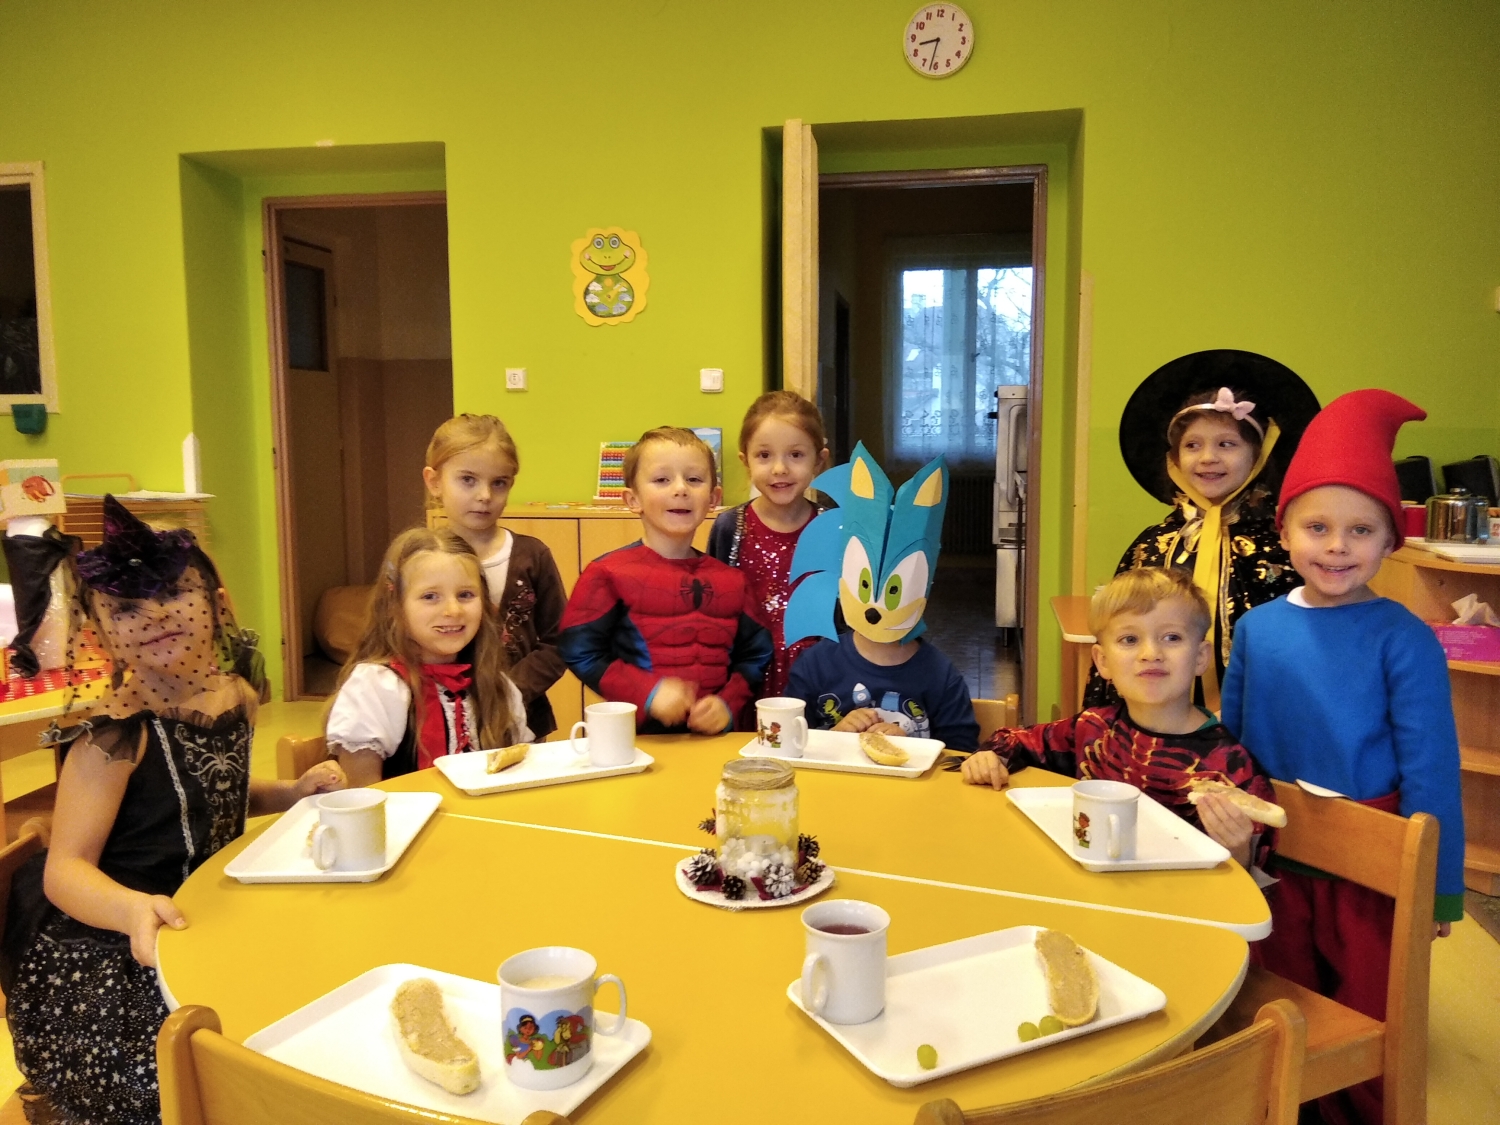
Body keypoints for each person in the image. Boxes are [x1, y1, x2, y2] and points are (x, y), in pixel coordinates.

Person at [2, 496, 346, 1125]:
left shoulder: (235, 693)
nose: (154, 615)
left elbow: (217, 790)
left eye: (172, 593)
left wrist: (290, 793)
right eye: (126, 608)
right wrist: (132, 910)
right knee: (192, 1083)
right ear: (101, 633)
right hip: (118, 940)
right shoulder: (113, 737)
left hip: (207, 908)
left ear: (215, 605)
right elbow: (65, 870)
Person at [1221, 389, 1465, 1125]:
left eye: (1360, 529)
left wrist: (1438, 888)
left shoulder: (1405, 637)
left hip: (1373, 861)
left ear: (1389, 541)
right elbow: (1232, 740)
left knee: (1369, 1001)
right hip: (1278, 850)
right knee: (1281, 992)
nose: (1337, 546)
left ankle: (1358, 1111)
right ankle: (1286, 1101)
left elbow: (1431, 764)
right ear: (1284, 531)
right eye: (1318, 526)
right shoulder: (1258, 629)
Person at [961, 568, 1272, 867]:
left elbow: (1255, 876)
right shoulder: (1091, 728)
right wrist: (991, 756)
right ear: (1103, 661)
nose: (1151, 653)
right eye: (1130, 640)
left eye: (1172, 637)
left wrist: (1238, 848)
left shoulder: (1234, 768)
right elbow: (1016, 740)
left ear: (1201, 657)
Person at [1086, 351, 1321, 711]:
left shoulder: (1283, 546)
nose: (1208, 457)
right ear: (1175, 458)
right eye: (1192, 445)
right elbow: (1119, 637)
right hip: (1160, 720)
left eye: (1226, 444)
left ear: (1259, 455)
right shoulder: (1151, 546)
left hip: (1257, 720)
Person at [558, 426, 771, 735]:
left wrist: (727, 704)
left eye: (694, 479)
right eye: (662, 480)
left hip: (714, 741)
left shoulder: (734, 581)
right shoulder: (606, 573)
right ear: (633, 499)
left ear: (713, 498)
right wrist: (647, 692)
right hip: (633, 742)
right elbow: (578, 650)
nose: (680, 489)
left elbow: (756, 654)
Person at [782, 442, 980, 750]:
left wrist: (911, 744)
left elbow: (961, 750)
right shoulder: (816, 665)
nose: (875, 609)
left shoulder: (940, 676)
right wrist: (836, 734)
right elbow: (790, 738)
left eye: (894, 592)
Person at [327, 527, 532, 785]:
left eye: (465, 595)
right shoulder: (376, 688)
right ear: (395, 607)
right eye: (430, 596)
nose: (453, 610)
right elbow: (362, 797)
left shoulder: (498, 686)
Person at [423, 413, 567, 738]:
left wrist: (510, 690)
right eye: (468, 480)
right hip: (442, 724)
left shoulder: (533, 556)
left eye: (498, 482)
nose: (485, 495)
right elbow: (399, 640)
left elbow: (561, 641)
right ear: (435, 482)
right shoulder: (417, 561)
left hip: (523, 721)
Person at [707, 391, 833, 703]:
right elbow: (713, 612)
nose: (779, 469)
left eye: (796, 455)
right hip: (746, 679)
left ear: (819, 460)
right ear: (746, 461)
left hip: (817, 679)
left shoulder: (834, 528)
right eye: (764, 455)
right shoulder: (729, 527)